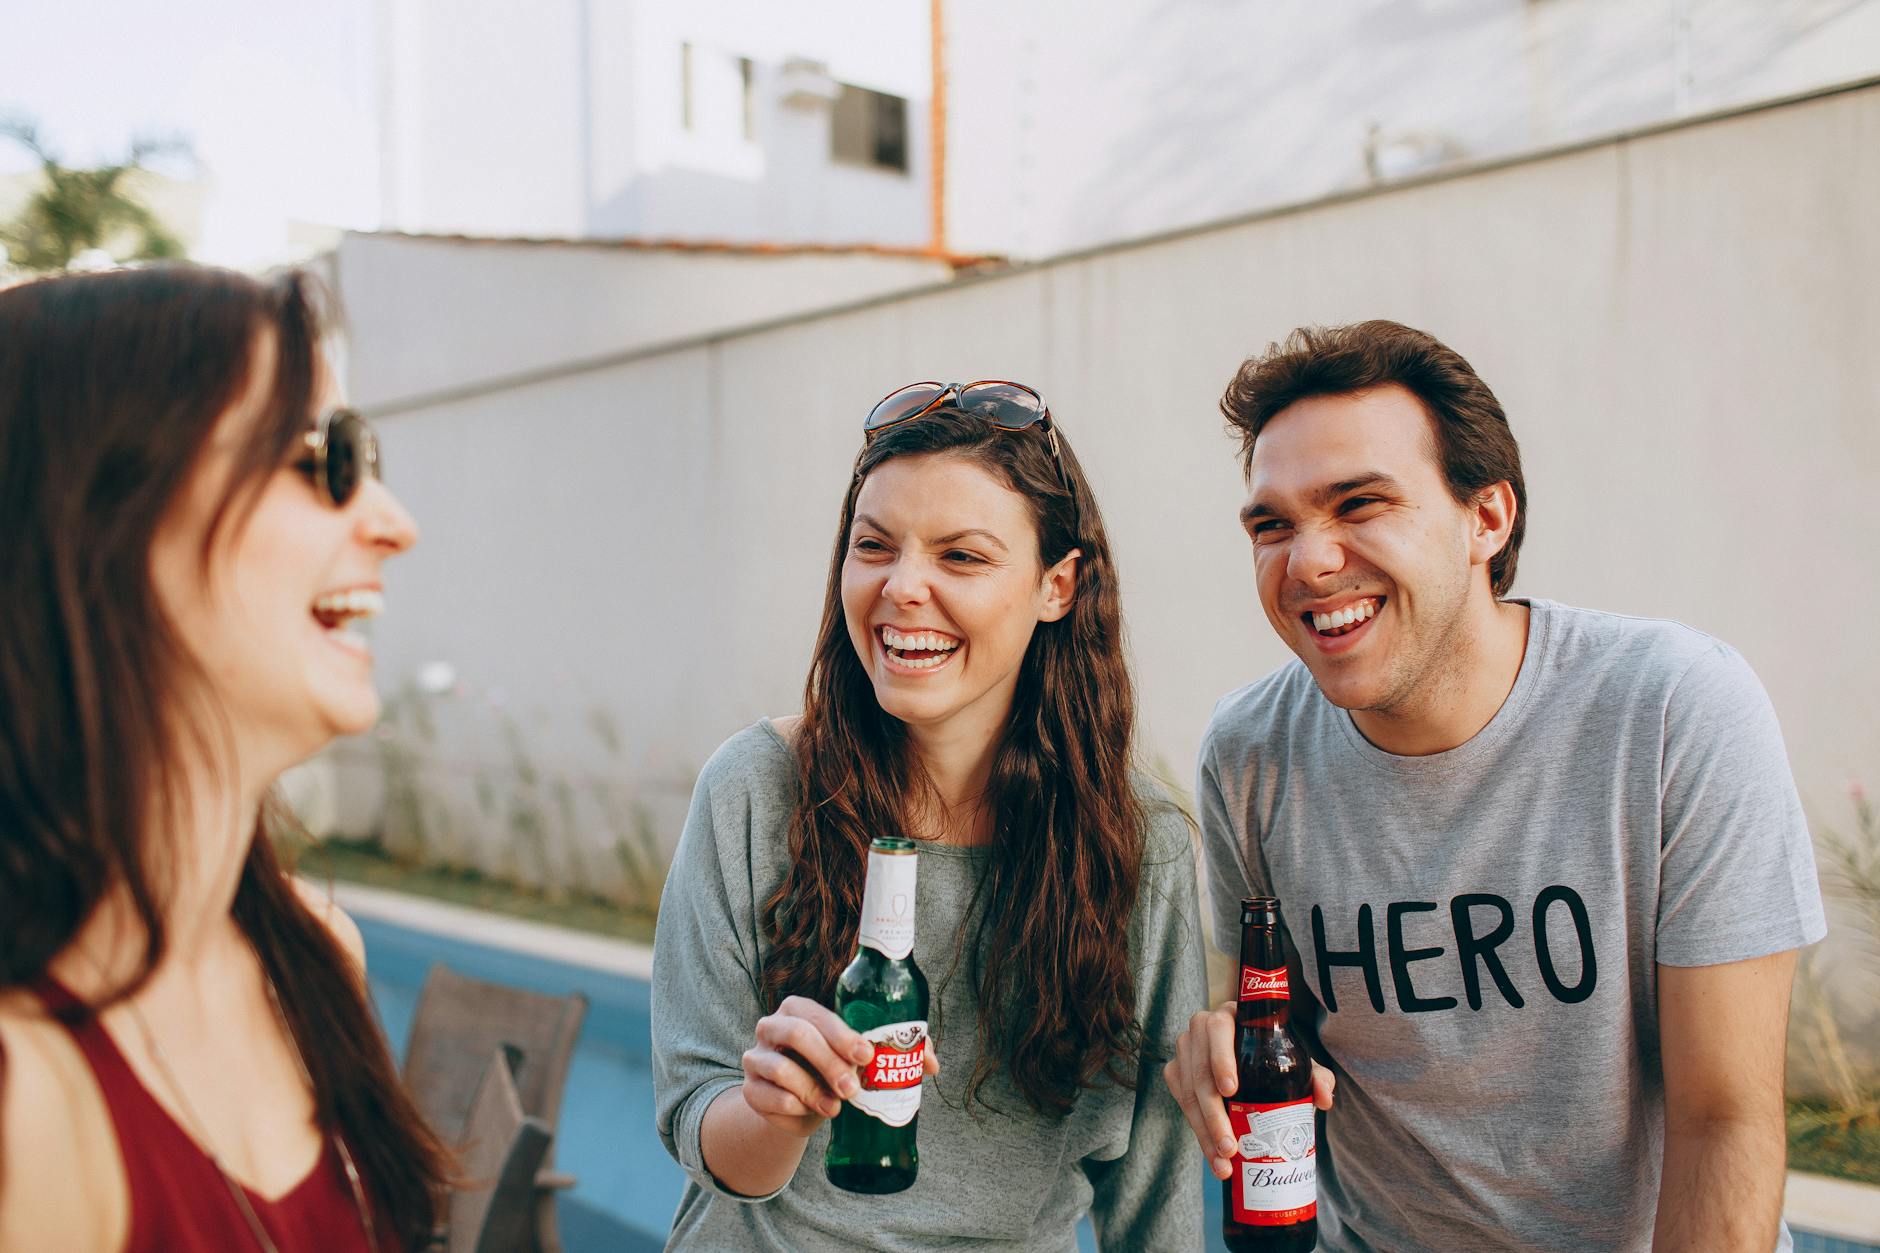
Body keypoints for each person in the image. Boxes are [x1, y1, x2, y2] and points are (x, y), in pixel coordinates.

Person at [1165, 320, 1828, 1251]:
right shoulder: (1249, 750)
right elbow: (1288, 1040)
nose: (1306, 563)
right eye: (1272, 524)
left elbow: (1725, 1116)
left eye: (1359, 504)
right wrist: (1230, 1042)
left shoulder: (1676, 707)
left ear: (1487, 518)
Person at [652, 382, 1206, 1249]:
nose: (903, 587)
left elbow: (1157, 1192)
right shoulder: (754, 789)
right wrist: (777, 1111)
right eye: (874, 546)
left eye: (962, 557)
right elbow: (702, 1126)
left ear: (1057, 585)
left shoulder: (1141, 843)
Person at [0, 265, 447, 1251]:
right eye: (320, 457)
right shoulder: (25, 1095)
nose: (394, 522)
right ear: (104, 521)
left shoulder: (316, 962)